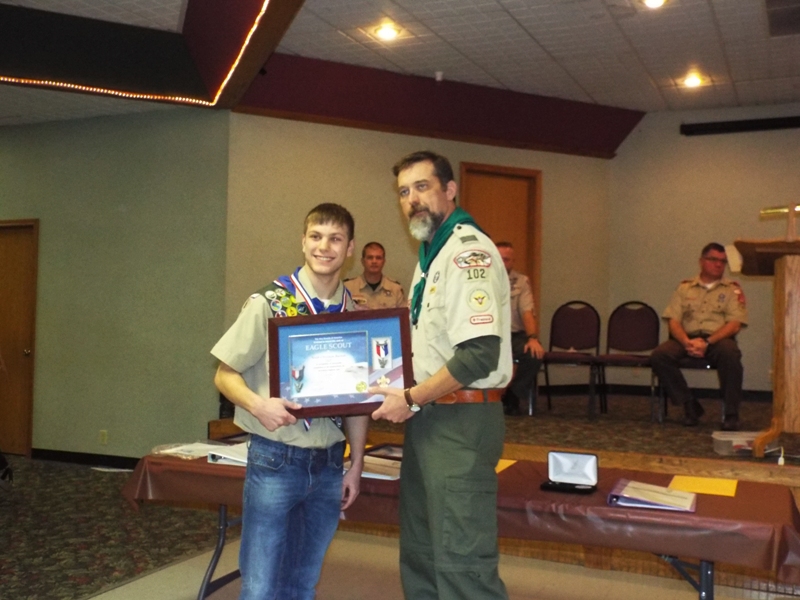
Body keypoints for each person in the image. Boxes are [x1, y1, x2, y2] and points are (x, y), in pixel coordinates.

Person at [372, 150, 513, 600]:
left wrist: (412, 398)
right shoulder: (430, 257)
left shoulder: (468, 252)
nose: (412, 199)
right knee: (422, 553)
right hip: (429, 418)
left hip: (461, 422)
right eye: (403, 192)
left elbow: (478, 355)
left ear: (450, 190)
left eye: (422, 187)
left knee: (461, 563)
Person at [211, 203, 368, 600]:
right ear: (303, 241)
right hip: (275, 459)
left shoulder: (354, 314)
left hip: (329, 464)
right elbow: (224, 374)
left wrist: (356, 464)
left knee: (302, 584)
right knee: (261, 587)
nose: (324, 247)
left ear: (350, 248)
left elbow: (358, 402)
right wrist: (258, 405)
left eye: (335, 238)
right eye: (316, 236)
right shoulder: (269, 302)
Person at [649, 242, 747, 431]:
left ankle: (731, 413)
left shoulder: (731, 290)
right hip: (686, 338)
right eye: (713, 259)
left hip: (717, 339)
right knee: (660, 355)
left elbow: (734, 324)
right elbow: (674, 321)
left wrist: (707, 342)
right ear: (701, 261)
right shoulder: (685, 288)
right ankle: (689, 404)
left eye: (723, 261)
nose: (718, 264)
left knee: (731, 354)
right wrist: (687, 342)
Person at [495, 242, 544, 416]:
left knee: (533, 353)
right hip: (491, 335)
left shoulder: (521, 282)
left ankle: (513, 395)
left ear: (513, 261)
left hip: (514, 335)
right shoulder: (481, 279)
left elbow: (527, 312)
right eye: (499, 259)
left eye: (507, 260)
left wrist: (533, 338)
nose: (502, 263)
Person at [344, 241, 406, 309]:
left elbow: (403, 314)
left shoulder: (395, 289)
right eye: (370, 257)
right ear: (363, 261)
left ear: (384, 262)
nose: (374, 261)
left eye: (378, 258)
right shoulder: (348, 287)